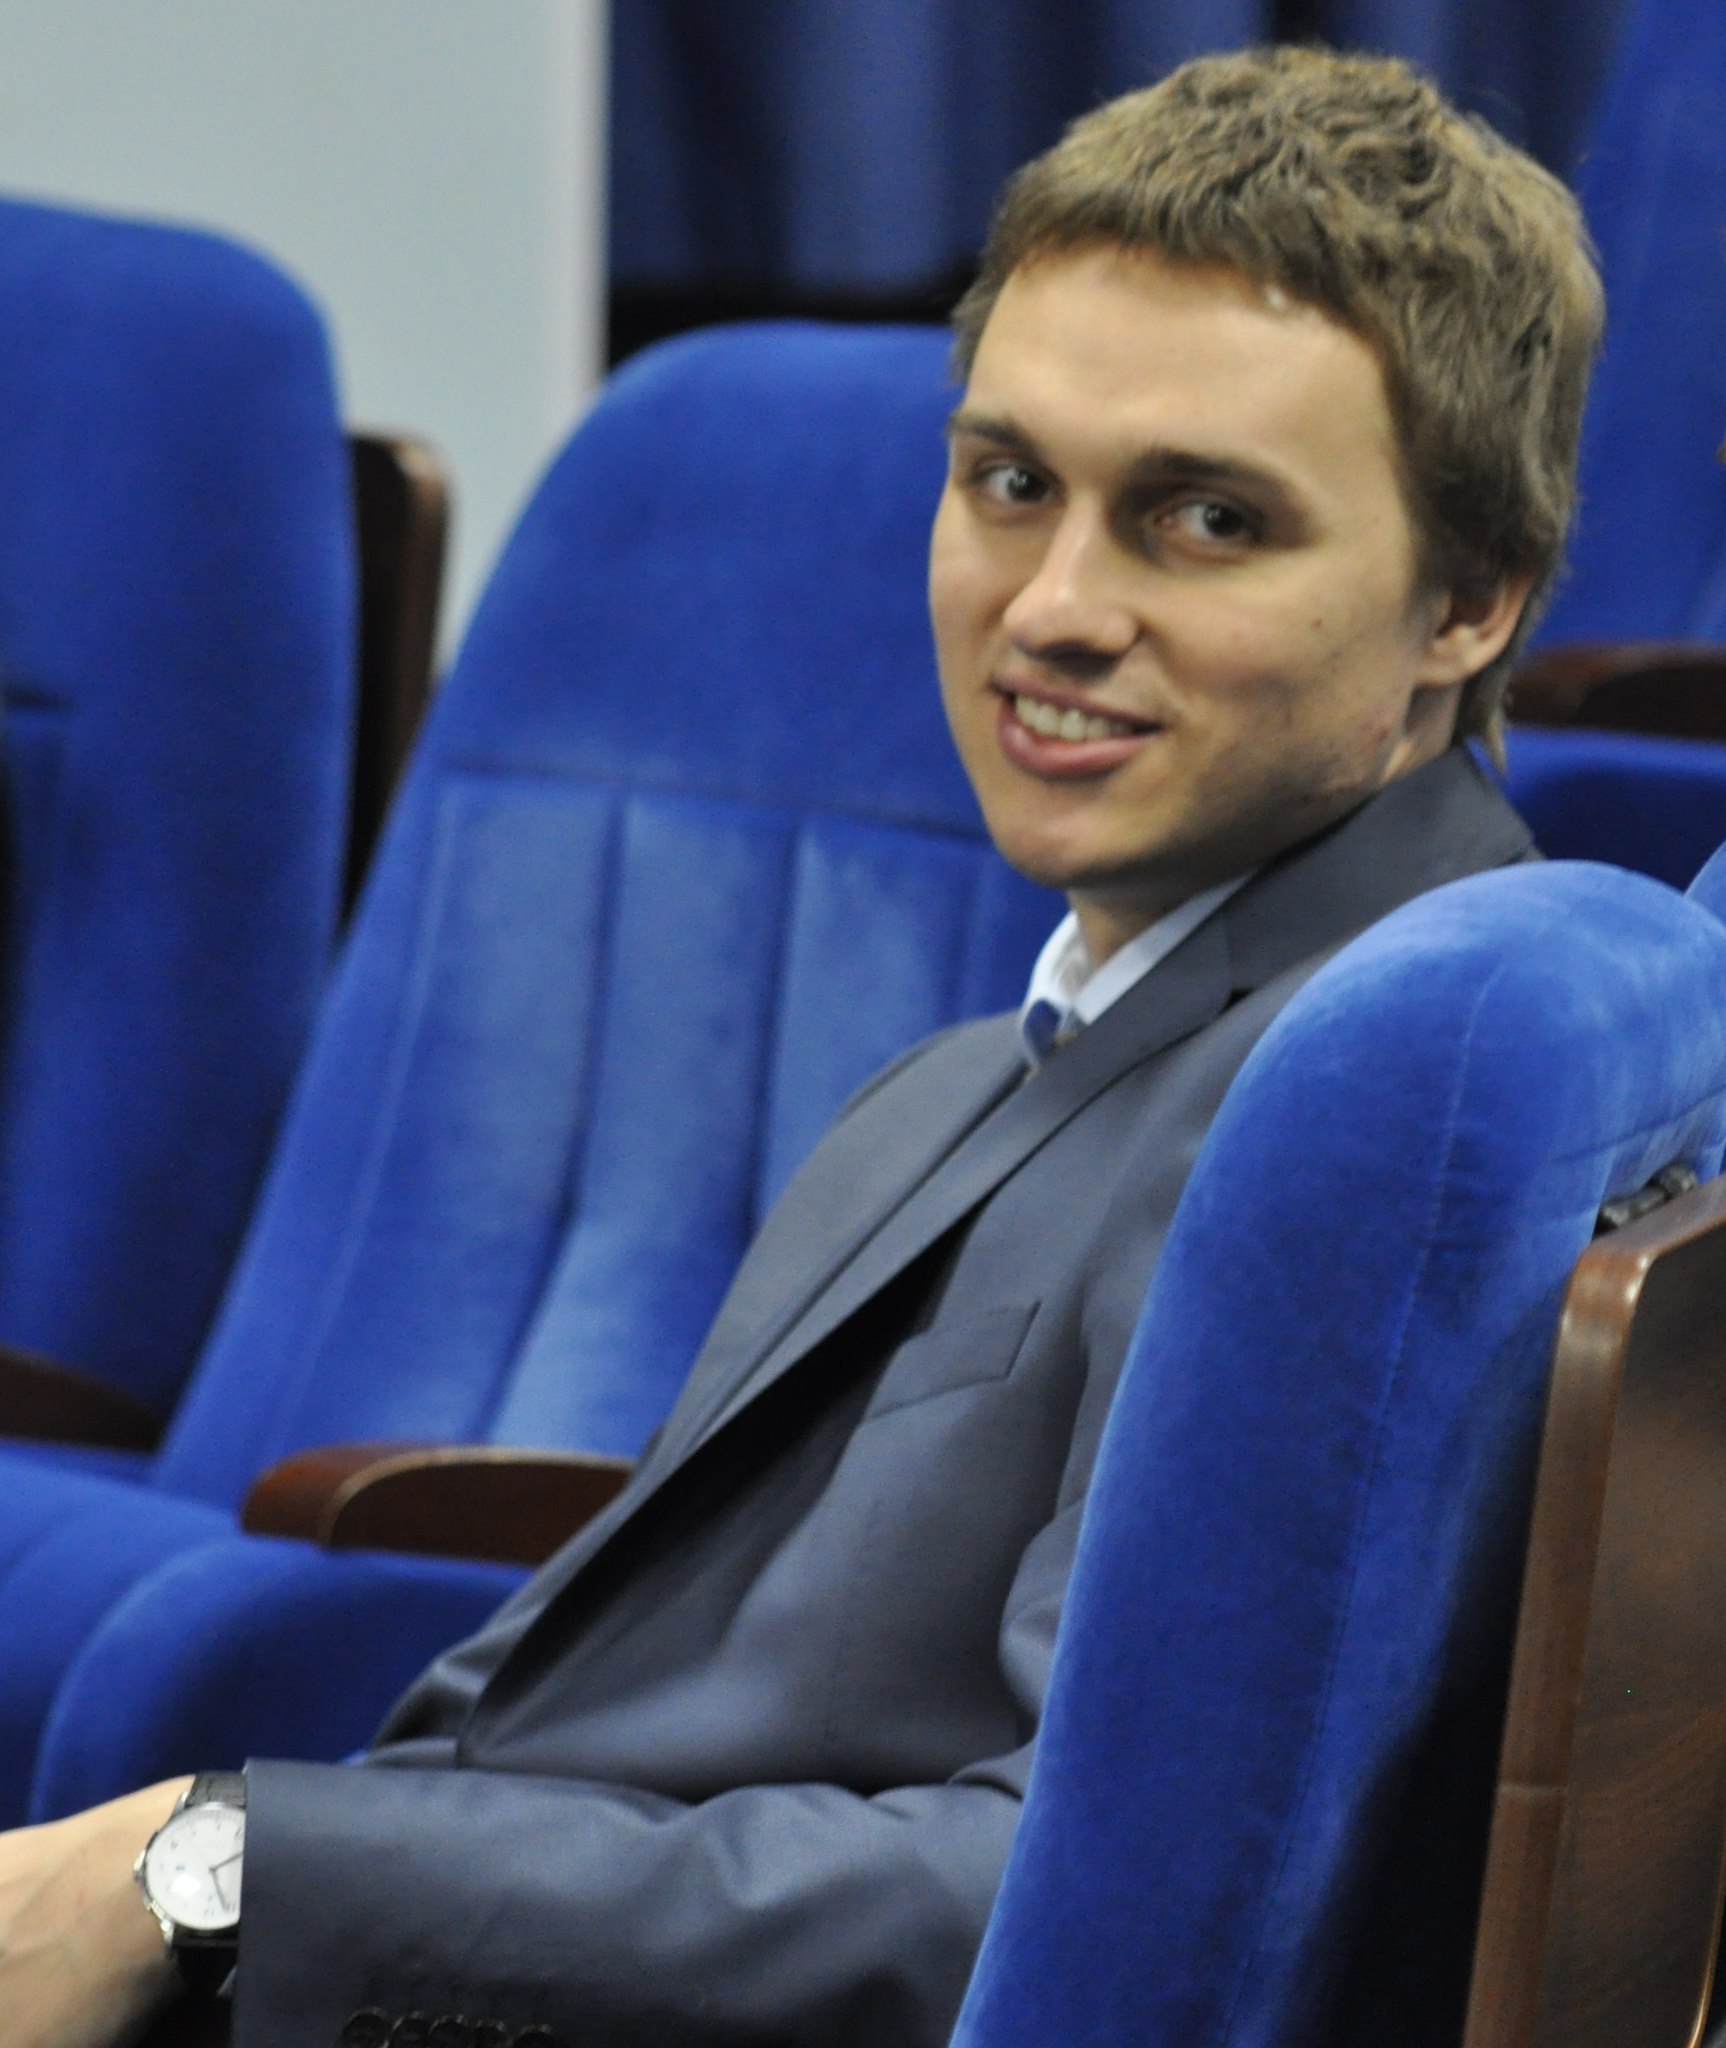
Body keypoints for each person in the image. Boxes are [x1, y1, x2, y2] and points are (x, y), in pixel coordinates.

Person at [0, 44, 1601, 2048]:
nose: (1053, 606)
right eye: (1008, 482)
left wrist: (204, 1877)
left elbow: (1067, 1903)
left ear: (1468, 601)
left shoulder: (1360, 1113)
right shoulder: (976, 1072)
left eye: (1202, 519)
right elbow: (550, 1726)